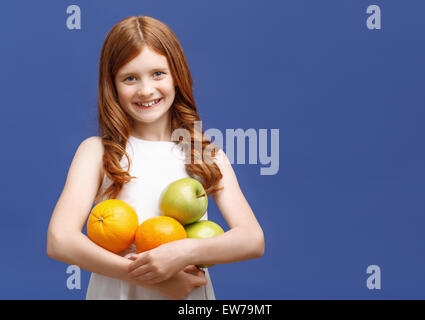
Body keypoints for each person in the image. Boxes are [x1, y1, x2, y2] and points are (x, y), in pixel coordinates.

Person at [46, 15, 264, 300]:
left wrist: (185, 251)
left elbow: (252, 239)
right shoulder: (97, 152)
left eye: (158, 74)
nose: (146, 90)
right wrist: (152, 279)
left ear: (177, 76)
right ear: (112, 85)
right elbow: (59, 240)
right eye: (130, 78)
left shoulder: (205, 154)